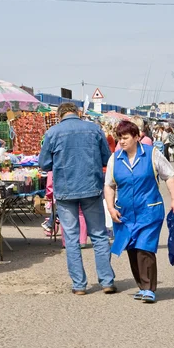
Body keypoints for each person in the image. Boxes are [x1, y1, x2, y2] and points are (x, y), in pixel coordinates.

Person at [39, 103, 116, 295]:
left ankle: (79, 285)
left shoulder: (53, 132)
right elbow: (108, 159)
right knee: (98, 235)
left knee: (72, 238)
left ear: (59, 115)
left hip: (65, 190)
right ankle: (107, 281)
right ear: (78, 113)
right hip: (92, 188)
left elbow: (44, 163)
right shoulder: (94, 129)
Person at [104, 120, 174, 303]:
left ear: (137, 137)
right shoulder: (115, 158)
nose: (121, 142)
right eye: (119, 138)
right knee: (131, 248)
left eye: (125, 138)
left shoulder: (152, 154)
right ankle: (142, 286)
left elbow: (169, 175)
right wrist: (110, 207)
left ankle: (148, 288)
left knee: (144, 247)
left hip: (150, 210)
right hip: (126, 213)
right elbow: (109, 185)